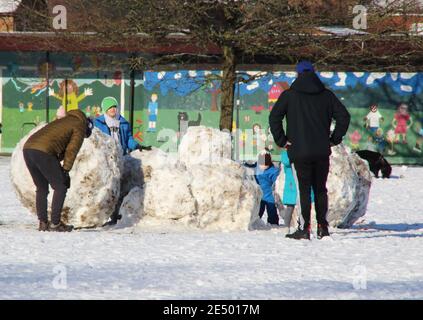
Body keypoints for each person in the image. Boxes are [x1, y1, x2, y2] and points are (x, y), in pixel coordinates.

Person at [269, 61, 350, 240]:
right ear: (314, 73)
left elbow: (274, 117)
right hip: (322, 151)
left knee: (304, 190)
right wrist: (334, 139)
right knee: (321, 189)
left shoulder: (289, 95)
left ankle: (305, 228)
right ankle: (323, 227)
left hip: (299, 151)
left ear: (298, 75)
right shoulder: (327, 95)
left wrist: (282, 140)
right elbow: (344, 116)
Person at [23, 109, 94, 232]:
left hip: (28, 149)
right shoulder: (79, 125)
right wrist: (65, 170)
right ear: (86, 124)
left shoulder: (65, 120)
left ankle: (43, 223)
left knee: (42, 188)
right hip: (43, 151)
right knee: (61, 186)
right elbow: (72, 150)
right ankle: (55, 223)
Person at [245, 149, 280, 226]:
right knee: (258, 210)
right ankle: (256, 222)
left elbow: (276, 181)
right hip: (259, 196)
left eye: (265, 164)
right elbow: (249, 166)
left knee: (271, 210)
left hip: (269, 195)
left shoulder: (273, 171)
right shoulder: (256, 168)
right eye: (261, 164)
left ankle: (273, 223)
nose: (263, 166)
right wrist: (246, 163)